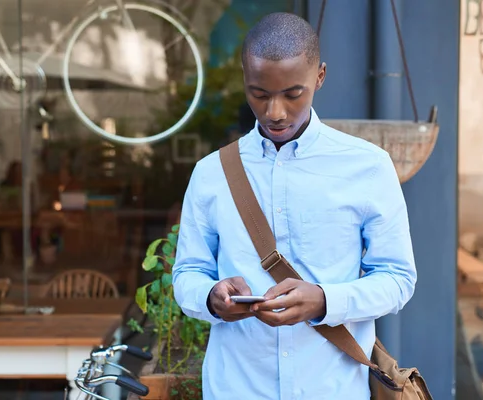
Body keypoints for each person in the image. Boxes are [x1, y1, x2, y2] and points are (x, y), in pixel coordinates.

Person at [172, 12, 416, 399]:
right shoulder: (211, 174)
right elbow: (187, 272)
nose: (275, 112)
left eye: (292, 93)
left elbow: (398, 279)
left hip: (332, 387)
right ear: (245, 82)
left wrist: (324, 300)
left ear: (319, 76)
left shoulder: (368, 166)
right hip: (236, 387)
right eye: (260, 94)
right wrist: (211, 296)